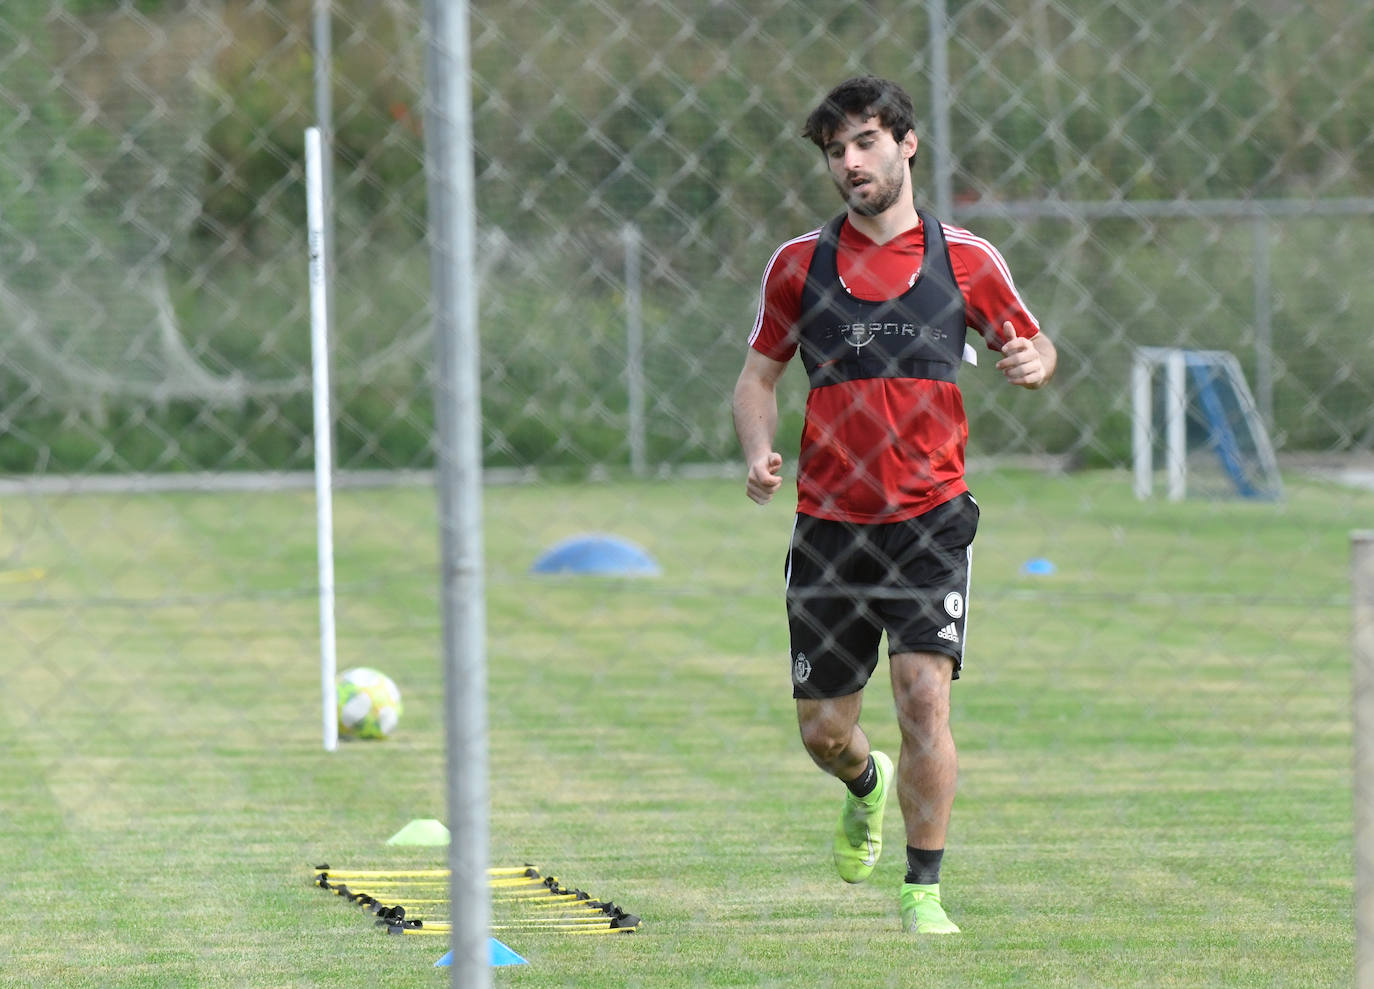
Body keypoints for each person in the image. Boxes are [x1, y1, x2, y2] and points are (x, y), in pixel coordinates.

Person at [731, 75, 1056, 934]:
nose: (850, 162)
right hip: (830, 528)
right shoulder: (800, 264)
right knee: (825, 734)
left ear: (907, 144)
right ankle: (863, 785)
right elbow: (758, 375)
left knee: (922, 696)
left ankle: (923, 890)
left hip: (930, 521)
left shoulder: (967, 259)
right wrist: (757, 449)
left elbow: (1031, 338)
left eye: (866, 142)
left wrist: (1033, 361)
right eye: (836, 150)